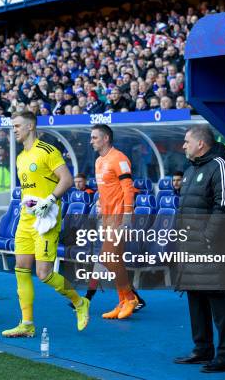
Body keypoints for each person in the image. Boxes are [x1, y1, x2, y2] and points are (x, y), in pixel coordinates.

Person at [2, 111, 89, 338]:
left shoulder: (47, 151)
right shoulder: (21, 157)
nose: (15, 130)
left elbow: (67, 180)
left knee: (43, 273)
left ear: (30, 126)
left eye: (18, 126)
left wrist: (50, 200)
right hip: (26, 217)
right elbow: (28, 189)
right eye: (13, 127)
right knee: (21, 269)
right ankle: (27, 324)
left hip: (46, 220)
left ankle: (80, 303)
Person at [174, 125, 225, 373]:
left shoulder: (221, 166)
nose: (183, 145)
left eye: (186, 141)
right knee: (196, 298)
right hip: (190, 247)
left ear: (201, 143)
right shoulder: (191, 170)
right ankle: (202, 349)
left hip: (211, 248)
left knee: (218, 300)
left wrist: (208, 238)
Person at [90, 124, 140, 320]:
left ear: (106, 139)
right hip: (107, 218)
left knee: (109, 258)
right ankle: (124, 301)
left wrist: (127, 216)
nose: (91, 141)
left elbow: (128, 189)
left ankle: (129, 298)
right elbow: (105, 190)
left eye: (94, 137)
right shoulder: (98, 161)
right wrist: (99, 205)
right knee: (114, 259)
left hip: (119, 217)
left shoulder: (119, 158)